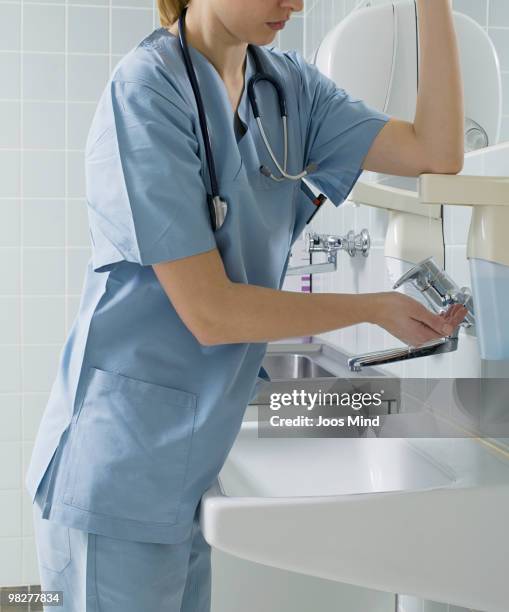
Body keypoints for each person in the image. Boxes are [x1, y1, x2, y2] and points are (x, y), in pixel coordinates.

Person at [26, 0, 467, 609]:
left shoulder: (285, 91)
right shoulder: (147, 93)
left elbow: (437, 151)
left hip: (188, 469)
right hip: (119, 477)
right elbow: (212, 313)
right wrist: (372, 307)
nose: (296, 3)